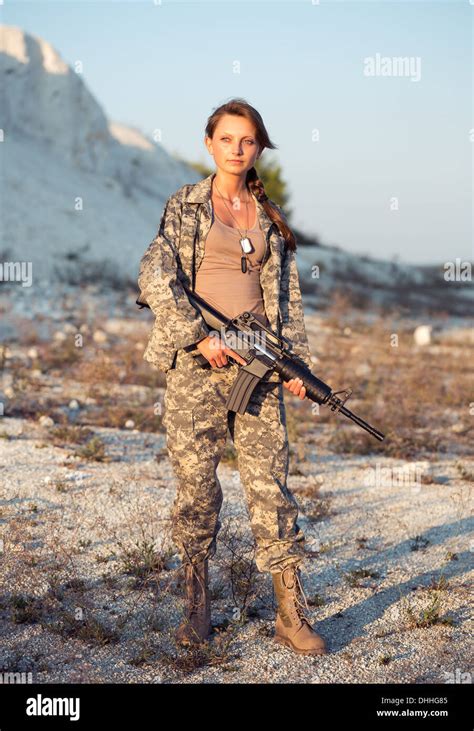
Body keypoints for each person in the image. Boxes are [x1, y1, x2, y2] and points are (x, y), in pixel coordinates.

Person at [137, 98, 327, 656]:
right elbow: (155, 272)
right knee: (197, 488)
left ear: (259, 147)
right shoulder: (187, 205)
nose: (238, 150)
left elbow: (286, 303)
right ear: (210, 143)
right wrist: (198, 335)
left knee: (271, 486)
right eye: (227, 139)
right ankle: (196, 608)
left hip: (261, 364)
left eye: (248, 141)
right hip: (197, 366)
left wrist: (298, 369)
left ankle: (290, 614)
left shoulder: (270, 217)